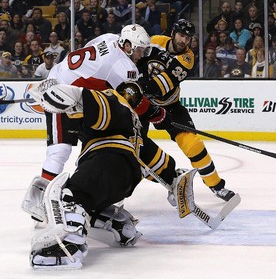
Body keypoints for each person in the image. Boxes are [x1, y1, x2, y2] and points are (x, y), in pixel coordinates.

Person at [21, 24, 182, 229]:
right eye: (140, 49)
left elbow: (89, 62)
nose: (142, 54)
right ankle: (40, 205)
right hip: (60, 93)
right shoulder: (126, 68)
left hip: (74, 94)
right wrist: (157, 115)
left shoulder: (108, 37)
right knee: (60, 150)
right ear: (128, 45)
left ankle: (94, 194)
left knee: (95, 144)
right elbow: (130, 99)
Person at [26, 79, 197, 269]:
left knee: (71, 196)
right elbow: (157, 160)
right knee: (91, 200)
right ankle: (118, 225)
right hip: (126, 177)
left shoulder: (110, 98)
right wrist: (174, 179)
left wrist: (53, 90)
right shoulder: (134, 123)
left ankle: (68, 247)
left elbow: (83, 99)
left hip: (106, 162)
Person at [137, 19, 236, 201]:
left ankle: (216, 186)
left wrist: (137, 89)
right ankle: (171, 180)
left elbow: (161, 86)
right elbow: (136, 57)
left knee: (193, 144)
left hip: (169, 105)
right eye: (182, 36)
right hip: (141, 105)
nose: (185, 41)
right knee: (135, 148)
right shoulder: (156, 40)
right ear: (173, 33)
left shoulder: (187, 59)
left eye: (188, 38)